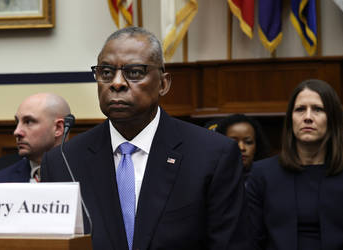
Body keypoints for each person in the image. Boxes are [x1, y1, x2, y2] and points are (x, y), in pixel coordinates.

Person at [41, 27, 248, 250]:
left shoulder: (213, 155)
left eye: (135, 72)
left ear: (163, 83)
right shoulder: (63, 161)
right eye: (106, 72)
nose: (117, 83)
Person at [246, 79, 343, 250]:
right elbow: (250, 240)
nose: (307, 117)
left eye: (318, 109)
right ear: (290, 118)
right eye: (300, 109)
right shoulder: (261, 174)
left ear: (333, 119)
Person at [0, 93, 71, 183]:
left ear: (58, 128)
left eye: (28, 122)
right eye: (17, 122)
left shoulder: (85, 173)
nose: (16, 132)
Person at [216, 114, 271, 179]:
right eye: (234, 143)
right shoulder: (212, 180)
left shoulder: (269, 177)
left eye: (248, 142)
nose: (242, 148)